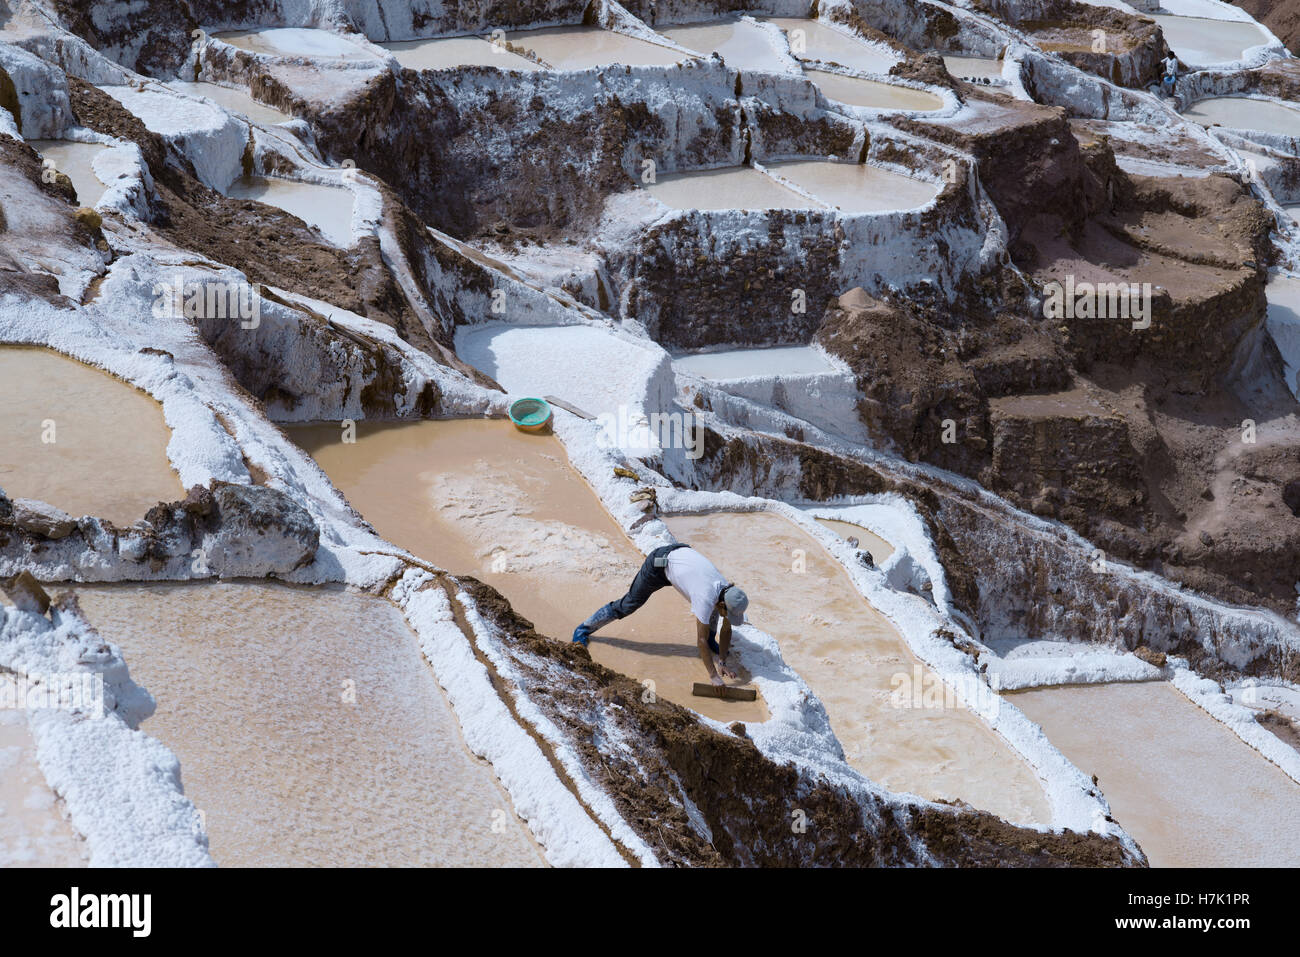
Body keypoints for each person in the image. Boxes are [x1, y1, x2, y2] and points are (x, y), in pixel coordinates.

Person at [572, 543, 749, 686]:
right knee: (628, 604)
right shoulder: (705, 596)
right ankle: (583, 629)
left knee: (713, 613)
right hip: (658, 565)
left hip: (679, 557)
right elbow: (699, 640)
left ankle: (713, 642)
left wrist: (723, 662)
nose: (728, 616)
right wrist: (713, 676)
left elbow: (726, 628)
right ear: (723, 603)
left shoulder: (726, 590)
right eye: (727, 611)